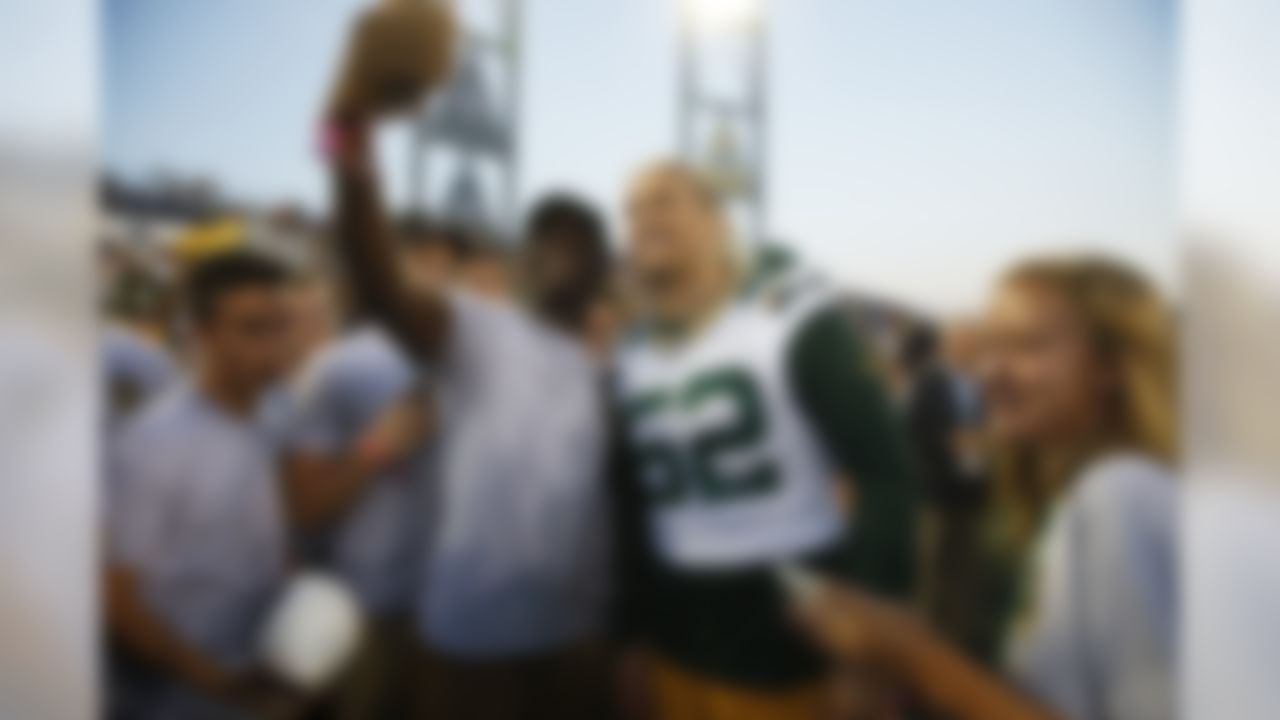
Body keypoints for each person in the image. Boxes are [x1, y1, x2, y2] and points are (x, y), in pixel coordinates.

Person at [321, 95, 616, 716]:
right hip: (475, 647)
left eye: (579, 245)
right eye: (545, 240)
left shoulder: (605, 371)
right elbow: (380, 284)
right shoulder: (480, 329)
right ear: (522, 261)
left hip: (579, 639)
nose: (560, 254)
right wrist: (348, 154)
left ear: (601, 269)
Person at [792, 255, 1178, 720]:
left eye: (1029, 346)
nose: (991, 372)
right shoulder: (1085, 496)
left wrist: (914, 655)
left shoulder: (1120, 494)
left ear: (1112, 365)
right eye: (991, 347)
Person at [611, 160, 917, 720]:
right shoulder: (628, 350)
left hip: (784, 630)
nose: (643, 217)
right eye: (632, 208)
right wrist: (629, 634)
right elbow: (634, 502)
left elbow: (884, 472)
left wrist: (872, 652)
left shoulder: (788, 315)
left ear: (716, 220)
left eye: (664, 200)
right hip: (674, 630)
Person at [104, 252, 297, 719]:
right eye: (253, 329)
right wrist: (215, 679)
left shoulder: (277, 416)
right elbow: (116, 598)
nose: (272, 347)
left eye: (278, 327)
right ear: (202, 335)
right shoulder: (155, 444)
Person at [899, 323, 988, 651]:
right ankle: (920, 646)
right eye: (962, 340)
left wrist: (982, 443)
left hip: (973, 495)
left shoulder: (985, 383)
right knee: (930, 573)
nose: (969, 347)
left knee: (965, 575)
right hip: (934, 493)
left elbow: (994, 430)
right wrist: (948, 444)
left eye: (973, 341)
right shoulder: (927, 381)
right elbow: (909, 433)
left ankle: (955, 645)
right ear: (948, 345)